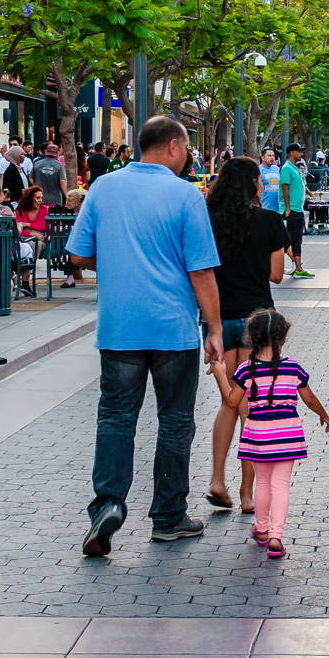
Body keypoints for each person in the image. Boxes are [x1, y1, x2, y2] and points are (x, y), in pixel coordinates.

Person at [66, 116, 224, 557]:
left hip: (119, 327)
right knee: (175, 421)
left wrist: (118, 262)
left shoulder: (102, 188)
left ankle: (108, 504)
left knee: (116, 417)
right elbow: (201, 271)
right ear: (173, 146)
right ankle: (168, 516)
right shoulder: (185, 196)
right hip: (173, 329)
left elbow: (78, 254)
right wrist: (213, 328)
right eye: (187, 148)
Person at [202, 157, 289, 515]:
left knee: (230, 401)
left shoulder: (208, 221)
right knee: (253, 407)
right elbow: (277, 275)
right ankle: (246, 492)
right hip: (258, 322)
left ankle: (217, 480)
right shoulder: (269, 221)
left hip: (219, 318)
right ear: (254, 183)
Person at [231, 309, 329, 560]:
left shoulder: (246, 370)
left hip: (257, 433)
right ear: (283, 338)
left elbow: (233, 401)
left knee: (263, 483)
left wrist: (223, 374)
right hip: (287, 432)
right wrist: (323, 414)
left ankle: (262, 529)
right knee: (281, 485)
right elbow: (308, 398)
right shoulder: (293, 368)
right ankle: (277, 536)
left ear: (251, 339)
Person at [279, 144, 312, 279]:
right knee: (289, 239)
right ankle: (296, 266)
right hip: (290, 209)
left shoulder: (295, 168)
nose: (301, 154)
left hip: (297, 209)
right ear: (291, 152)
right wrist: (287, 208)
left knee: (297, 239)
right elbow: (285, 189)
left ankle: (298, 268)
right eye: (299, 151)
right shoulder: (287, 168)